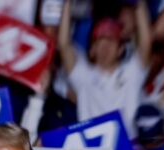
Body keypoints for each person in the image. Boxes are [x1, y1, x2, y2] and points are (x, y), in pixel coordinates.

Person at [58, 0, 152, 138]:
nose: (105, 46)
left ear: (120, 49)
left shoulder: (132, 73)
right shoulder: (84, 76)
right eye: (100, 40)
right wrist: (67, 4)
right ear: (92, 50)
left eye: (111, 40)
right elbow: (64, 44)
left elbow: (146, 42)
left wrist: (140, 5)